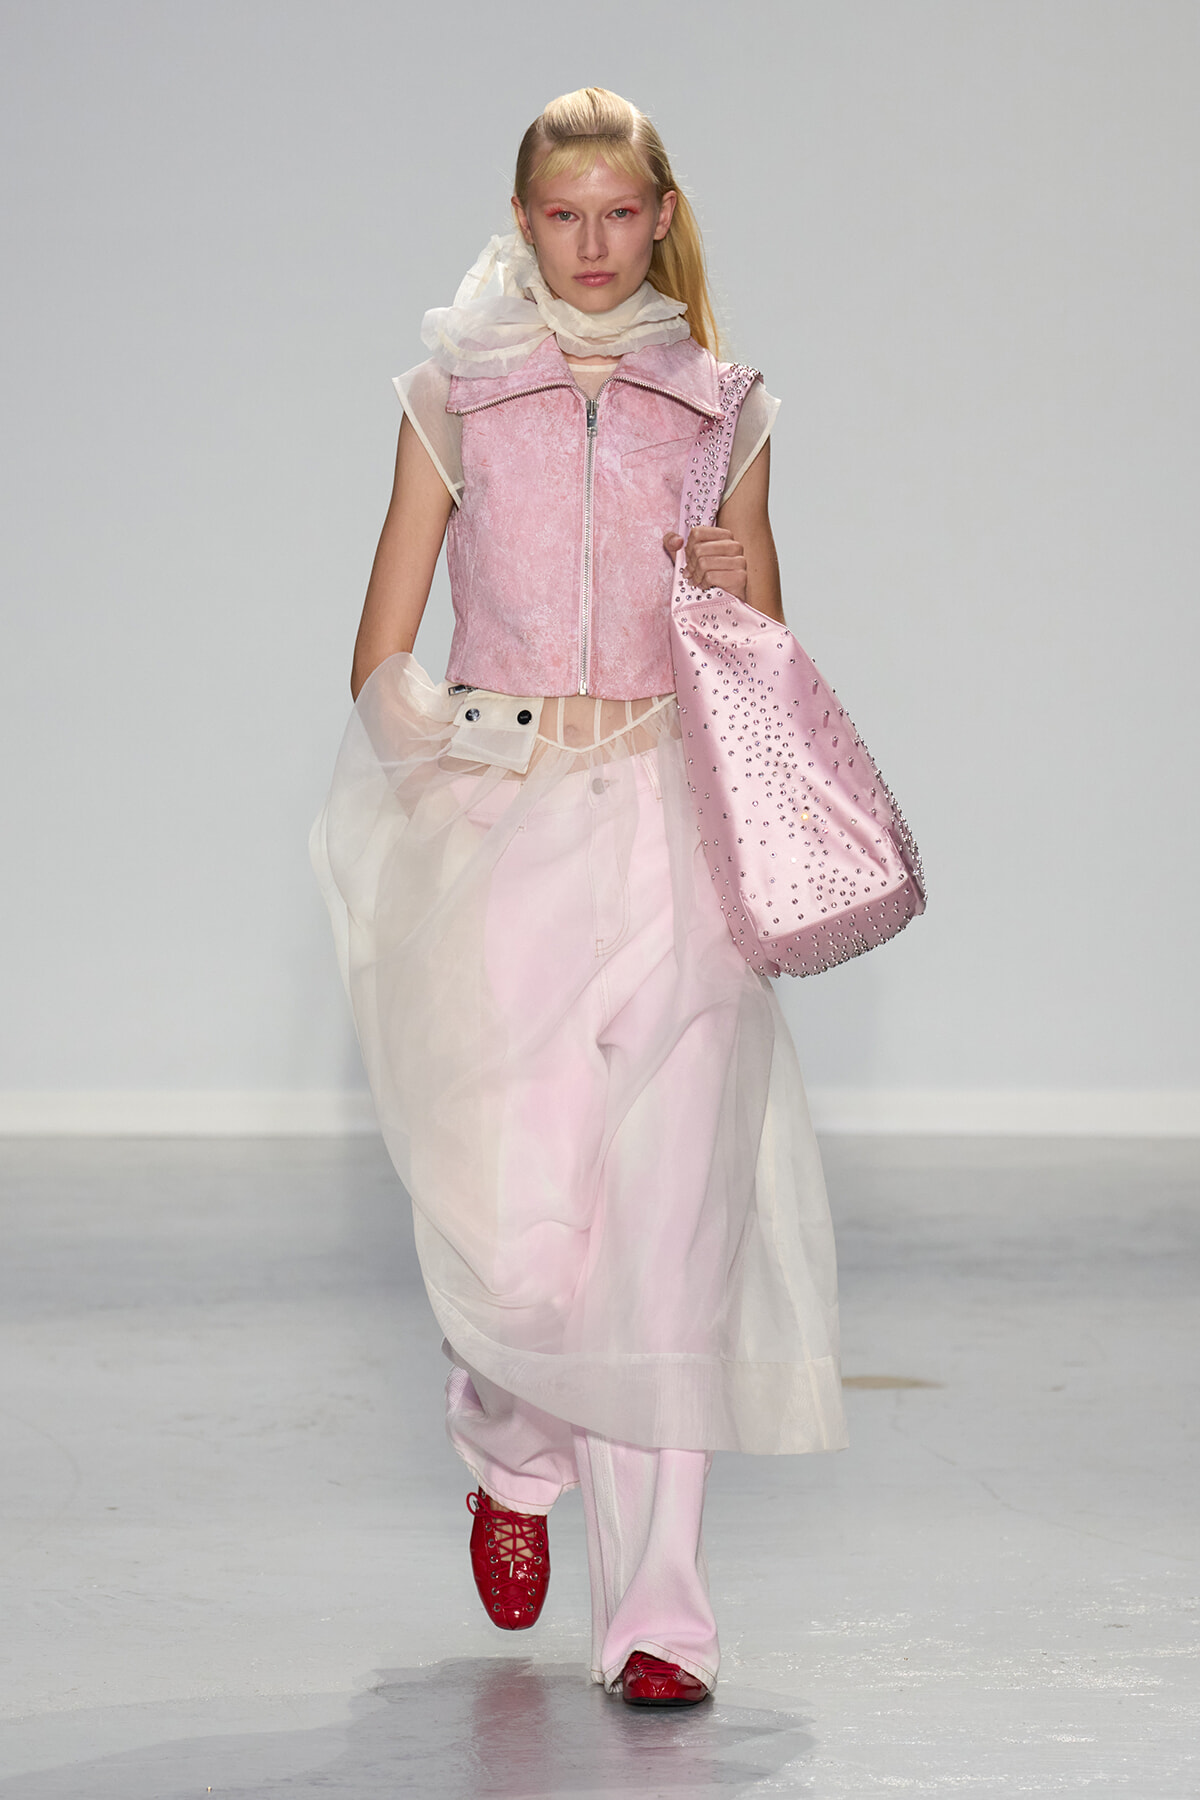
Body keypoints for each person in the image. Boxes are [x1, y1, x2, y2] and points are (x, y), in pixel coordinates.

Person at [311, 85, 848, 1709]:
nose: (595, 245)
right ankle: (510, 1448)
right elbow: (380, 648)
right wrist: (455, 774)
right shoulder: (454, 401)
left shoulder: (727, 408)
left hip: (675, 830)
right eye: (566, 215)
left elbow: (761, 658)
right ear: (524, 221)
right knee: (530, 1251)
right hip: (511, 835)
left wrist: (739, 594)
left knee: (668, 1248)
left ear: (662, 217)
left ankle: (660, 1623)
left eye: (622, 214)